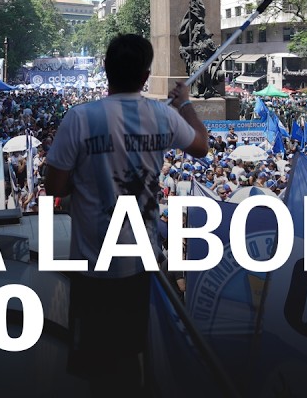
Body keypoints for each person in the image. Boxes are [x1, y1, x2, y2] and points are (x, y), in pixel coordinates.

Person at [44, 34, 209, 397]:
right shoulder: (163, 116)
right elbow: (201, 145)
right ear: (146, 75)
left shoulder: (80, 118)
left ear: (106, 69)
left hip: (92, 268)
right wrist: (185, 105)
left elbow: (54, 187)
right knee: (133, 357)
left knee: (99, 368)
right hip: (140, 265)